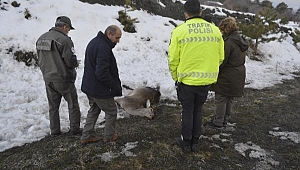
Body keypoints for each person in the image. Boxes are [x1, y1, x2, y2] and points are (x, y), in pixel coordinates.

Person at [168, 0, 224, 153]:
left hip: (186, 81)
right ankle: (195, 142)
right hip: (205, 81)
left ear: (185, 13)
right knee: (198, 110)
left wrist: (176, 77)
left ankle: (186, 142)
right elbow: (220, 57)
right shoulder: (215, 30)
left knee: (187, 111)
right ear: (201, 12)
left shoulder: (179, 31)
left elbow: (173, 59)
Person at [36, 16, 81, 136]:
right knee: (72, 104)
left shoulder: (41, 38)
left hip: (48, 78)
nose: (68, 31)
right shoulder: (64, 40)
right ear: (64, 27)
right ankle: (75, 129)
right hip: (63, 78)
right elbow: (70, 61)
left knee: (53, 107)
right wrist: (76, 62)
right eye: (69, 29)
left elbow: (39, 59)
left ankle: (55, 131)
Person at [80, 25, 123, 144]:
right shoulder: (103, 47)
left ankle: (86, 136)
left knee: (94, 109)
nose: (118, 41)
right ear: (109, 34)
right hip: (99, 88)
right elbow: (101, 72)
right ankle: (109, 136)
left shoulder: (95, 42)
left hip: (90, 86)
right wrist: (113, 85)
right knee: (111, 111)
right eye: (117, 38)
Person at [207, 17, 249, 129]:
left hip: (228, 73)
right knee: (229, 98)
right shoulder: (239, 39)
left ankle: (218, 122)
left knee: (221, 98)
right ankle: (224, 120)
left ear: (226, 28)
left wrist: (215, 70)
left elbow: (223, 60)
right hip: (238, 73)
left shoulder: (229, 42)